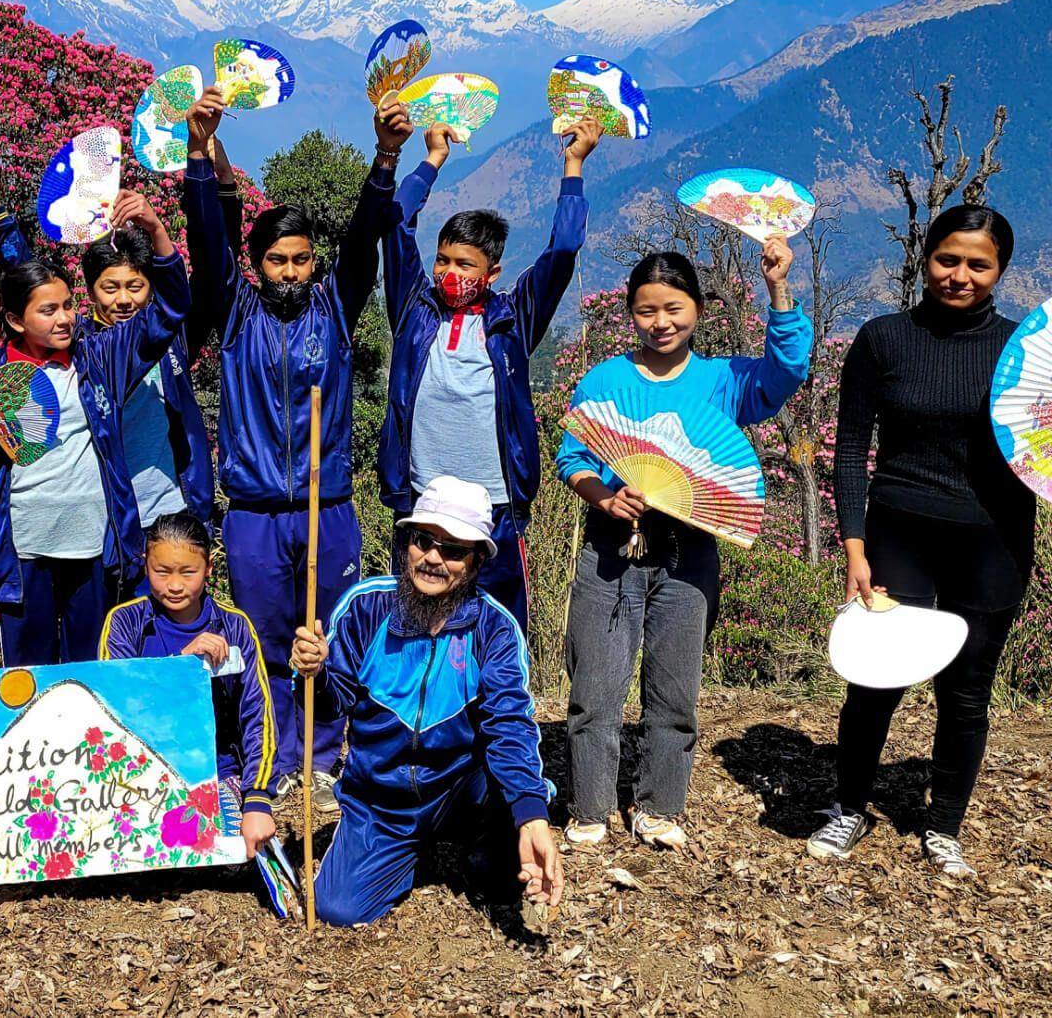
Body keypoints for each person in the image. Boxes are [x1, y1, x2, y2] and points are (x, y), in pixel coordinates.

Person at [177, 88, 408, 799]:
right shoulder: (237, 311)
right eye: (276, 259)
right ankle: (274, 757)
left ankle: (330, 752)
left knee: (326, 638)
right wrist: (199, 156)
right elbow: (208, 243)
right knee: (265, 645)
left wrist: (386, 158)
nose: (290, 272)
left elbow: (367, 238)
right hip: (252, 514)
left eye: (301, 259)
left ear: (315, 263)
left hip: (326, 506)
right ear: (257, 264)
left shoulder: (336, 308)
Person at [557, 244, 809, 849]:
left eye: (674, 308)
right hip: (610, 547)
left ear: (698, 308)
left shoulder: (724, 380)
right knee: (595, 686)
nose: (661, 322)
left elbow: (787, 372)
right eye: (646, 311)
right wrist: (603, 497)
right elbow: (573, 455)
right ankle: (589, 805)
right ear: (630, 314)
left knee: (674, 687)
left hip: (690, 550)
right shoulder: (607, 380)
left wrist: (778, 290)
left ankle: (659, 805)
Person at [809, 205, 1034, 878]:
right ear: (925, 257)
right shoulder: (883, 339)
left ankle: (944, 826)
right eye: (947, 259)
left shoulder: (1022, 352)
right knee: (875, 682)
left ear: (999, 272)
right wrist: (854, 547)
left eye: (978, 264)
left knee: (967, 693)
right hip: (898, 528)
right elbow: (850, 449)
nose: (959, 275)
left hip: (993, 537)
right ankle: (849, 807)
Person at [289, 477, 561, 928]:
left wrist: (532, 816)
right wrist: (312, 675)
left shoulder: (495, 627)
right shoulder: (364, 608)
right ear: (407, 543)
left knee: (500, 873)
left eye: (453, 550)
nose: (433, 558)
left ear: (474, 563)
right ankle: (401, 851)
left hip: (461, 789)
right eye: (423, 541)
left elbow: (510, 723)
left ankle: (487, 847)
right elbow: (331, 701)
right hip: (381, 798)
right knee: (337, 908)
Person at [378, 117, 600, 625]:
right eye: (443, 261)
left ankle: (498, 706)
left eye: (464, 264)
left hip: (494, 508)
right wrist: (432, 160)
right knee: (418, 619)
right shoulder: (414, 308)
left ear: (492, 273)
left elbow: (563, 250)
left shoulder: (512, 320)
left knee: (496, 623)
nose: (449, 274)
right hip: (422, 498)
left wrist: (574, 165)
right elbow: (395, 224)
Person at [0, 189, 189, 665]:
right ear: (13, 320)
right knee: (27, 681)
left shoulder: (101, 357)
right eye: (48, 310)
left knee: (94, 674)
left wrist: (157, 233)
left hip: (93, 551)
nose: (65, 317)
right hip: (25, 551)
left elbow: (169, 312)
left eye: (68, 305)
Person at [0, 150, 224, 550]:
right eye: (110, 288)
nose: (124, 300)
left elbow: (194, 288)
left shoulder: (170, 340)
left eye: (136, 287)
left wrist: (154, 227)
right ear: (91, 292)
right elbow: (27, 278)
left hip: (171, 511)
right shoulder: (83, 348)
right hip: (109, 518)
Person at [100, 513, 278, 856]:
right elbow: (115, 708)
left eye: (188, 572)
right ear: (145, 565)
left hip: (215, 771)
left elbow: (259, 716)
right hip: (140, 773)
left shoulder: (235, 626)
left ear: (209, 568)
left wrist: (257, 798)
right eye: (162, 571)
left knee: (232, 858)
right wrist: (183, 667)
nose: (175, 585)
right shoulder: (123, 623)